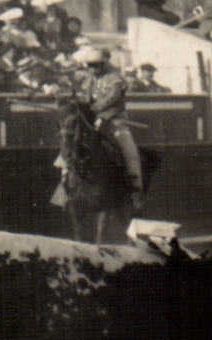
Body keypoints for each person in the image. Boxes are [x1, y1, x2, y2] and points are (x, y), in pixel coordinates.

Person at [56, 72, 148, 245]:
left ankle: (135, 190)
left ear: (102, 64)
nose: (92, 68)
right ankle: (63, 191)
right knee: (67, 149)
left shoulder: (114, 80)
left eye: (95, 65)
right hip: (91, 124)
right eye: (89, 65)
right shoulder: (87, 80)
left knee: (130, 152)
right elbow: (82, 99)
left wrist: (94, 108)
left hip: (115, 122)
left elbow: (112, 99)